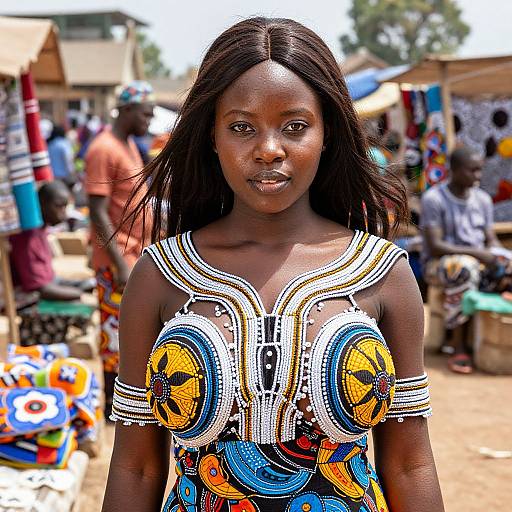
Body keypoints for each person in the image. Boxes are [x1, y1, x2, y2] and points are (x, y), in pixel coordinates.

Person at [103, 18, 443, 512]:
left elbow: (410, 464)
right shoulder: (160, 275)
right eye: (242, 127)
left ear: (327, 133)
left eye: (295, 126)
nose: (268, 149)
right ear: (211, 137)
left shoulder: (383, 272)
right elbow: (137, 467)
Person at [84, 80, 154, 416]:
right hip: (117, 259)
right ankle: (116, 403)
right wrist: (119, 263)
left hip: (134, 253)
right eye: (145, 114)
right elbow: (97, 210)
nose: (148, 121)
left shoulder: (128, 145)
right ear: (126, 110)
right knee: (114, 333)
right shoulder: (103, 148)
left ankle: (129, 397)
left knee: (130, 329)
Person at [421, 146, 508, 373]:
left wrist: (502, 256)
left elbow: (491, 240)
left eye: (480, 170)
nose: (478, 176)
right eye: (472, 171)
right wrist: (479, 254)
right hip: (440, 264)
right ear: (455, 170)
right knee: (462, 267)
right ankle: (458, 345)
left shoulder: (483, 200)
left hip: (476, 260)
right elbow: (436, 246)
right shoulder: (434, 199)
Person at [9, 181, 85, 301]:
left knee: (87, 284)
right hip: (26, 298)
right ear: (42, 204)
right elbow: (41, 288)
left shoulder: (41, 230)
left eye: (65, 207)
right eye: (58, 206)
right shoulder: (28, 236)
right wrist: (81, 295)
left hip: (46, 286)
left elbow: (49, 280)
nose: (63, 213)